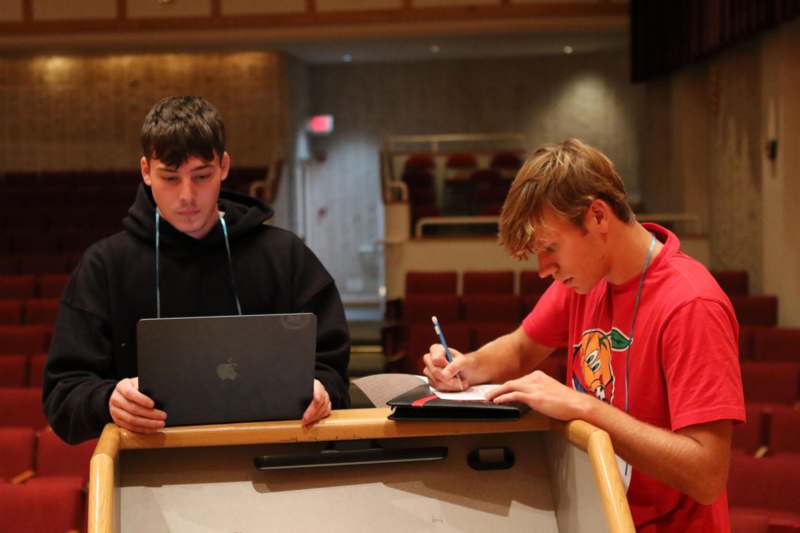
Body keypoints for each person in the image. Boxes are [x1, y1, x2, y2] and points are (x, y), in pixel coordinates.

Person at [424, 139, 744, 532]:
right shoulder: (587, 280)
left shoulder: (691, 303)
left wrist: (584, 408)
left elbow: (707, 475)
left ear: (598, 217)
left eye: (550, 248)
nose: (544, 269)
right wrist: (465, 367)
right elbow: (522, 348)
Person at [43, 96, 350, 444]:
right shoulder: (104, 266)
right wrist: (107, 401)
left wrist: (322, 388)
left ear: (224, 166)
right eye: (170, 178)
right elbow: (63, 396)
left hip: (272, 457)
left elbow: (332, 371)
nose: (187, 196)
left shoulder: (285, 256)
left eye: (201, 176)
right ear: (145, 171)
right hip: (148, 466)